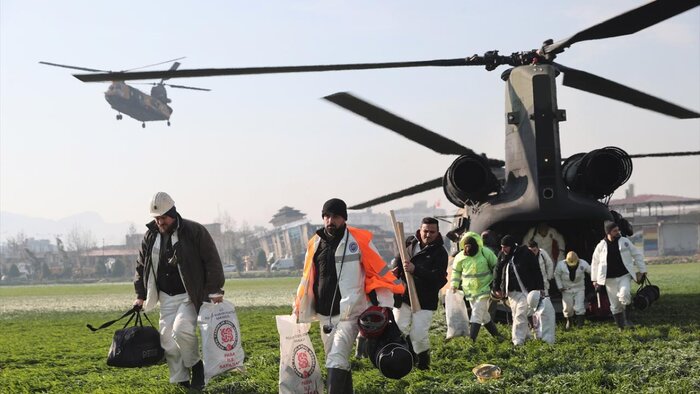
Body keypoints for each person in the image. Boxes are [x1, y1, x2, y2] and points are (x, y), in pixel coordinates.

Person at [293, 198, 404, 393]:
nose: (330, 220)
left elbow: (378, 272)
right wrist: (298, 304)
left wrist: (384, 307)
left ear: (344, 218)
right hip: (324, 315)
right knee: (337, 360)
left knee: (336, 357)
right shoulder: (314, 243)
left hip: (351, 312)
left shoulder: (359, 241)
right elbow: (306, 278)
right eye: (326, 216)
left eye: (335, 216)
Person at [133, 192, 225, 390]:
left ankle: (197, 368)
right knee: (167, 341)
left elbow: (212, 262)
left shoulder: (194, 231)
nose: (160, 222)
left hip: (189, 296)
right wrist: (140, 295)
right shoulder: (150, 236)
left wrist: (215, 289)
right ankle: (181, 380)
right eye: (156, 218)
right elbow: (142, 266)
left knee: (181, 330)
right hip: (165, 297)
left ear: (173, 213)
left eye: (163, 218)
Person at [391, 217, 448, 370]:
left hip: (425, 300)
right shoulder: (409, 242)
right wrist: (396, 270)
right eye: (425, 231)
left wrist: (416, 270)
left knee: (418, 335)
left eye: (432, 232)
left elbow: (439, 279)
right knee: (398, 328)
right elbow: (398, 259)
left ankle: (423, 363)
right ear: (420, 230)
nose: (428, 235)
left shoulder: (440, 253)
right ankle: (401, 361)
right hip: (403, 296)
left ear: (437, 232)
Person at [591, 221, 647, 330]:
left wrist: (642, 270)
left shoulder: (624, 241)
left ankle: (628, 321)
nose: (618, 232)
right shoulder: (601, 246)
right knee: (615, 305)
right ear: (608, 232)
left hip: (624, 276)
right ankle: (620, 326)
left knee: (625, 294)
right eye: (615, 231)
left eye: (618, 230)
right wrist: (594, 280)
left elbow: (637, 254)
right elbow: (595, 263)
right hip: (609, 280)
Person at [492, 235, 544, 346]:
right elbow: (497, 270)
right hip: (511, 292)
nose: (503, 250)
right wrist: (496, 288)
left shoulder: (526, 253)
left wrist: (540, 288)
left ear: (511, 246)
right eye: (502, 247)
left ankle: (517, 341)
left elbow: (536, 271)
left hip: (526, 291)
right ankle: (526, 336)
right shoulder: (502, 255)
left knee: (520, 314)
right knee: (516, 314)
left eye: (505, 247)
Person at [450, 231, 501, 342]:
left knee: (476, 313)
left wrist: (496, 285)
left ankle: (471, 340)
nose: (468, 249)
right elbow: (456, 272)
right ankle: (498, 337)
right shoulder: (460, 257)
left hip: (485, 288)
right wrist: (454, 285)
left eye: (470, 246)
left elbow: (496, 267)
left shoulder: (485, 252)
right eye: (466, 246)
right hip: (470, 291)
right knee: (484, 316)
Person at [554, 251, 591, 329]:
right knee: (567, 308)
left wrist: (595, 281)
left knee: (580, 306)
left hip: (579, 288)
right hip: (566, 289)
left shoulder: (583, 263)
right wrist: (559, 286)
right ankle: (569, 321)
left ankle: (580, 325)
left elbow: (591, 271)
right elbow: (556, 275)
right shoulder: (561, 264)